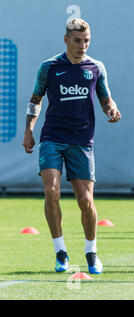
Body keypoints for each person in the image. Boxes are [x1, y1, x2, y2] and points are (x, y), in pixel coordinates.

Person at [22, 18, 121, 274]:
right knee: (52, 192)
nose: (82, 45)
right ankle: (61, 252)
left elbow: (105, 99)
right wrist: (29, 130)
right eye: (77, 40)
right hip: (52, 139)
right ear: (66, 40)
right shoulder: (50, 67)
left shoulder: (96, 67)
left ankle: (91, 253)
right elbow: (35, 100)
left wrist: (112, 109)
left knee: (86, 201)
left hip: (82, 141)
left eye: (86, 40)